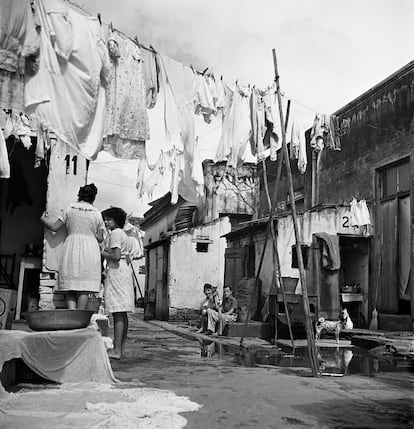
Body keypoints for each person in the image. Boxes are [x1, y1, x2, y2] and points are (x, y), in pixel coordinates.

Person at [40, 183, 105, 309]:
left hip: (72, 246)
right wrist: (90, 231)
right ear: (93, 197)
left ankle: (72, 312)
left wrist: (43, 219)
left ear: (79, 195)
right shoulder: (97, 214)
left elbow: (54, 227)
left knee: (69, 284)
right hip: (90, 249)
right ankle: (80, 315)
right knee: (85, 287)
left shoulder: (69, 208)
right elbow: (100, 238)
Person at [101, 207, 134, 360]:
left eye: (109, 219)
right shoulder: (123, 234)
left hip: (117, 272)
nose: (106, 222)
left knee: (117, 312)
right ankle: (121, 348)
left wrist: (99, 250)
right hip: (123, 272)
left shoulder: (115, 234)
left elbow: (116, 255)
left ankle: (117, 349)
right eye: (105, 219)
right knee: (122, 312)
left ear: (117, 220)